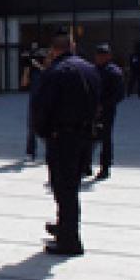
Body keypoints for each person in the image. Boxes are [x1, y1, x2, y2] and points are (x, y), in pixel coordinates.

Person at [31, 32, 101, 256]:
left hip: (62, 136)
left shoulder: (54, 72)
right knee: (71, 185)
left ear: (54, 50)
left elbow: (42, 106)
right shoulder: (89, 69)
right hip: (84, 135)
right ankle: (64, 227)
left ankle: (70, 240)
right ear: (72, 47)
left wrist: (42, 132)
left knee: (64, 188)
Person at [86, 45, 124, 181]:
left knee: (105, 138)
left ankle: (105, 167)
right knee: (88, 137)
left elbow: (118, 95)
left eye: (102, 55)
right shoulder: (92, 70)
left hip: (106, 111)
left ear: (109, 56)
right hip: (91, 109)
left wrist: (104, 106)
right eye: (97, 55)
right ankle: (86, 165)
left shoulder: (114, 72)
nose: (99, 58)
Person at [21, 47, 46, 161]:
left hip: (45, 101)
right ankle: (30, 152)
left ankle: (50, 151)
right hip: (34, 101)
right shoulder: (33, 71)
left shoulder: (46, 69)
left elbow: (48, 75)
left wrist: (38, 65)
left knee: (46, 127)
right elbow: (24, 83)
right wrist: (27, 68)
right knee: (31, 127)